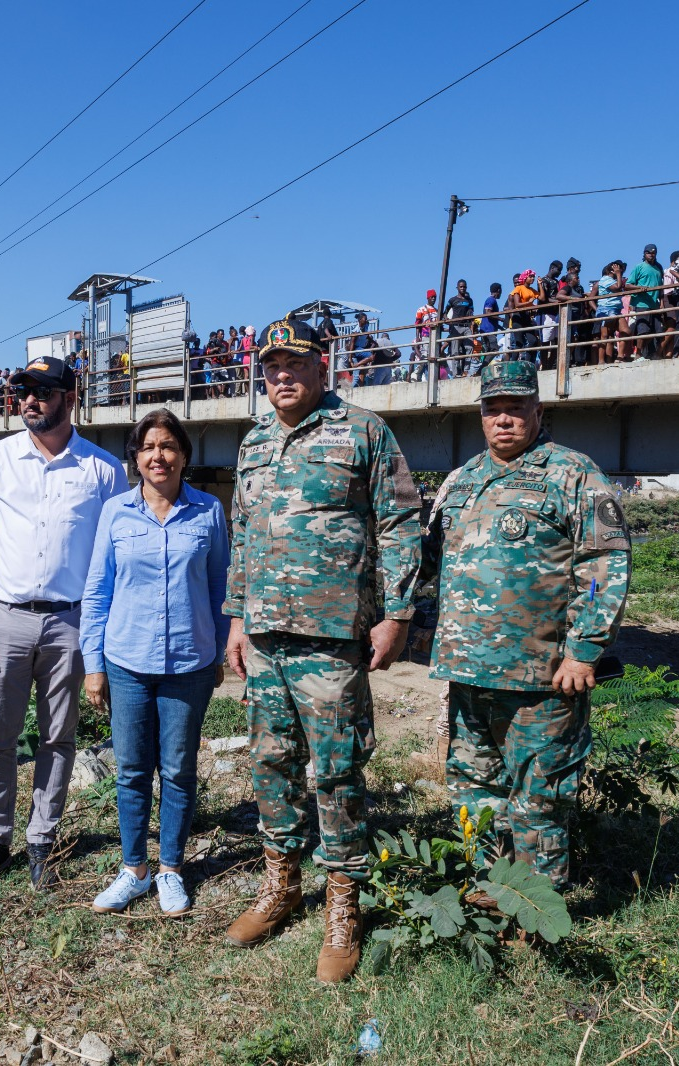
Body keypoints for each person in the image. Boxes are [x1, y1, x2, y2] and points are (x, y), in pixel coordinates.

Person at [223, 317, 421, 983]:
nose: (282, 374)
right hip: (266, 636)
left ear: (320, 364)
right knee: (271, 765)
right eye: (272, 365)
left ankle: (344, 903)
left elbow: (398, 524)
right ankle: (280, 886)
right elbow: (242, 533)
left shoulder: (363, 431)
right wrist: (235, 621)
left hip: (333, 639)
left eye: (294, 362)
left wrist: (396, 613)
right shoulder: (252, 442)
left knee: (336, 773)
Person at [421, 360, 629, 890]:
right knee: (474, 792)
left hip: (543, 678)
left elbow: (603, 564)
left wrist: (584, 649)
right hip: (468, 675)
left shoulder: (574, 473)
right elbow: (426, 560)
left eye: (516, 408)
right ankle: (489, 893)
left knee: (540, 799)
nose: (504, 419)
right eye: (494, 409)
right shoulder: (462, 479)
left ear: (538, 411)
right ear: (481, 415)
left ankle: (538, 912)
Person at [0, 356, 129, 893]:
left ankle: (42, 842)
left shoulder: (104, 470)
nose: (31, 399)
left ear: (69, 398)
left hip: (71, 622)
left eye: (44, 390)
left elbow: (113, 557)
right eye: (24, 390)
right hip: (4, 618)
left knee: (59, 737)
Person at [81, 410, 229, 917]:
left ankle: (169, 869)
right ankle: (133, 870)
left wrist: (221, 649)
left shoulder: (209, 512)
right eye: (147, 447)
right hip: (127, 660)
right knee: (131, 770)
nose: (158, 456)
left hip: (189, 660)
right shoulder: (116, 513)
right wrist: (93, 663)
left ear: (184, 455)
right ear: (135, 458)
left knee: (179, 770)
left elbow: (218, 587)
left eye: (168, 446)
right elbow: (98, 591)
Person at [627, 244, 664, 358]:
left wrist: (662, 304)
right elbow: (627, 285)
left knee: (659, 332)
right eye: (648, 252)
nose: (651, 255)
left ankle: (654, 354)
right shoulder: (639, 267)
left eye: (653, 253)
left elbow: (661, 288)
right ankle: (638, 354)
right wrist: (639, 288)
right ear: (644, 254)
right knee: (643, 330)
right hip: (642, 303)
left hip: (655, 304)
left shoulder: (659, 268)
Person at [444, 279, 476, 372]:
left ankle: (466, 370)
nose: (463, 288)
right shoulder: (452, 300)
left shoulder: (469, 300)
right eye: (461, 287)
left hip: (466, 326)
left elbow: (471, 311)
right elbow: (445, 312)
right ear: (457, 288)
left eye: (464, 287)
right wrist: (447, 319)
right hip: (456, 327)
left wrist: (471, 318)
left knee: (469, 347)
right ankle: (455, 373)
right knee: (455, 351)